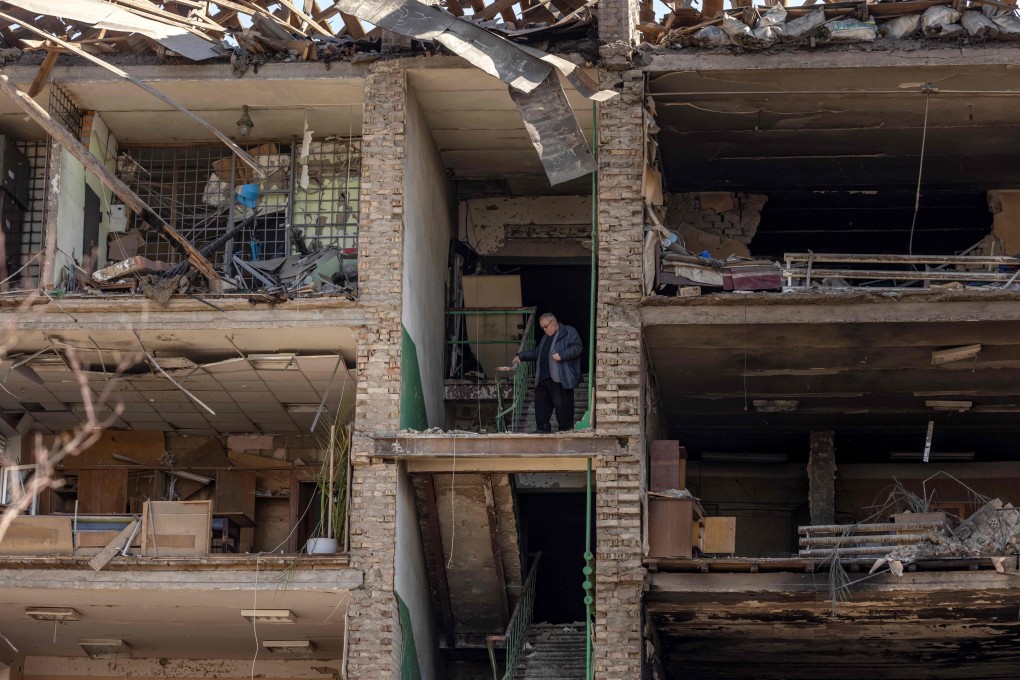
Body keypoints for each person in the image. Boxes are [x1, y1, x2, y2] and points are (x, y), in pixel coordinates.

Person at [512, 313, 583, 433]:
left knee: (562, 406)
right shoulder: (545, 338)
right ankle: (542, 429)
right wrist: (521, 356)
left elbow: (577, 347)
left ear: (553, 322)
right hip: (543, 378)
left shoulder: (568, 331)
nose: (544, 330)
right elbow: (536, 353)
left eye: (546, 326)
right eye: (542, 328)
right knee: (541, 405)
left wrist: (562, 355)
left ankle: (565, 430)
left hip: (560, 377)